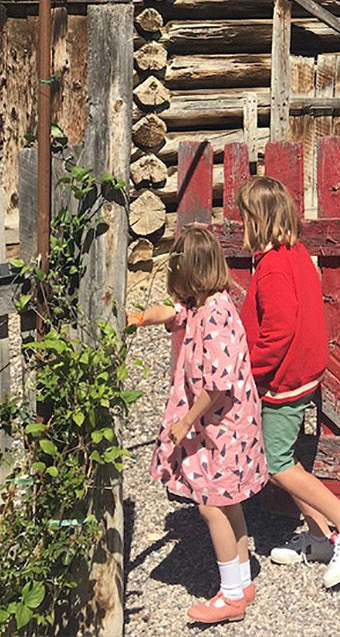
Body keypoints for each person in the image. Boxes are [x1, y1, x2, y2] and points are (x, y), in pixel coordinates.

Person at [237, 174, 340, 588]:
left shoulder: (273, 269)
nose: (241, 224)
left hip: (283, 381)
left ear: (258, 220)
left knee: (277, 465)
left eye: (245, 217)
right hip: (298, 375)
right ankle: (320, 538)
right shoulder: (292, 253)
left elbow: (278, 333)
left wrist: (250, 373)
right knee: (284, 456)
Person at [129, 224, 268, 624]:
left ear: (187, 270)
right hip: (223, 428)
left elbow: (218, 385)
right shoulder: (202, 305)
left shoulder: (216, 316)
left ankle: (229, 597)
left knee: (211, 506)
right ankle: (241, 581)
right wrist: (139, 318)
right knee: (230, 502)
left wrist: (184, 422)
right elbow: (170, 313)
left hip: (223, 428)